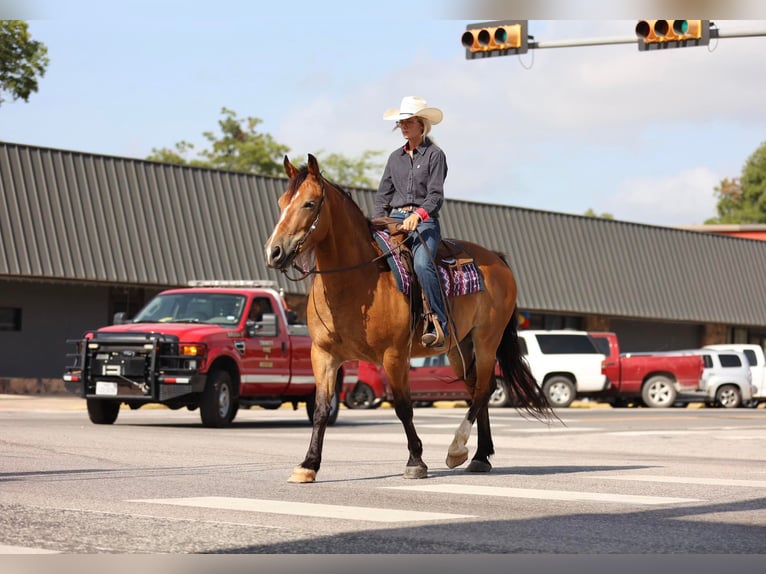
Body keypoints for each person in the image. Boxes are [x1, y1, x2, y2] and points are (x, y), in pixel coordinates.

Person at [373, 96, 449, 349]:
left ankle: (438, 321)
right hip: (394, 219)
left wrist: (418, 215)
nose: (403, 127)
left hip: (424, 222)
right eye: (401, 123)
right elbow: (383, 194)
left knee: (422, 263)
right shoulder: (395, 157)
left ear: (422, 125)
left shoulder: (435, 155)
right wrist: (377, 221)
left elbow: (435, 195)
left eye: (408, 122)